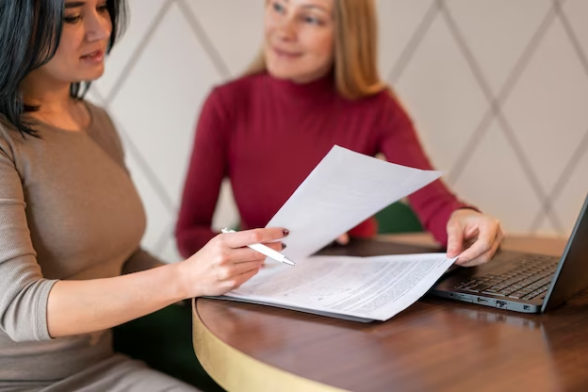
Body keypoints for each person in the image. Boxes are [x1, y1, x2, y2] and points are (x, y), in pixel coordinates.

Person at [0, 1, 287, 391]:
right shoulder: (5, 141)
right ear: (17, 24)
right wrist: (185, 277)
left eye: (102, 8)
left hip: (101, 369)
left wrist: (231, 279)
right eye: (72, 15)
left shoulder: (93, 122)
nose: (100, 29)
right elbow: (20, 308)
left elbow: (123, 257)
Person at [176, 0, 504, 267]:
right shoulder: (226, 104)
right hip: (260, 290)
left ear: (347, 35)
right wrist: (258, 251)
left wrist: (465, 221)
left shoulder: (377, 108)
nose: (283, 31)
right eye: (278, 7)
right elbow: (189, 233)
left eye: (311, 19)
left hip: (351, 287)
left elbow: (434, 204)